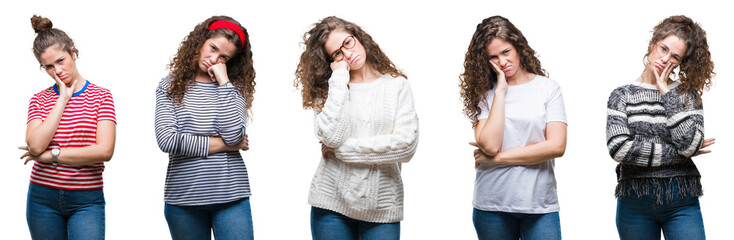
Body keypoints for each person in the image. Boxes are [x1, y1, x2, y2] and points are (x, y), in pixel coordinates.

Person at [294, 16, 419, 240]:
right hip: (330, 205)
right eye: (337, 53)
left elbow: (406, 146)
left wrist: (343, 152)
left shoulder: (396, 85)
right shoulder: (331, 88)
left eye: (347, 43)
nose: (347, 54)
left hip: (382, 208)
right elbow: (331, 137)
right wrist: (340, 76)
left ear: (359, 37)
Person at [606, 15, 715, 240]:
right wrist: (680, 154)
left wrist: (666, 93)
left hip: (681, 200)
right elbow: (618, 149)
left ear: (681, 62)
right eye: (663, 49)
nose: (665, 59)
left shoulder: (687, 95)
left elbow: (689, 146)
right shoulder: (621, 95)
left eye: (675, 56)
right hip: (634, 200)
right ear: (652, 44)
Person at [460, 16, 567, 240]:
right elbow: (489, 145)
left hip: (539, 206)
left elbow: (556, 146)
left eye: (506, 52)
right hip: (492, 205)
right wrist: (500, 91)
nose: (502, 61)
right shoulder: (485, 93)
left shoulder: (548, 88)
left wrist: (498, 160)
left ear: (518, 47)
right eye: (493, 56)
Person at [155, 15, 255, 240]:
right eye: (212, 48)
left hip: (231, 196)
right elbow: (168, 141)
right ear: (200, 42)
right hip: (183, 199)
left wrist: (223, 83)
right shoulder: (169, 86)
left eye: (224, 57)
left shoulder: (234, 88)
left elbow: (232, 134)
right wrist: (224, 145)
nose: (214, 59)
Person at [20, 15, 117, 240]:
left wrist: (51, 156)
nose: (58, 71)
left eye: (61, 60)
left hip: (86, 200)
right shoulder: (39, 100)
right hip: (41, 199)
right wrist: (62, 99)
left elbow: (104, 151)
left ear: (73, 52)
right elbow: (35, 146)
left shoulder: (102, 97)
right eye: (49, 67)